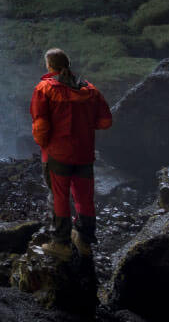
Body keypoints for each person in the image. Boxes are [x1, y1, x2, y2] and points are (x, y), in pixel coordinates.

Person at [30, 47, 112, 257]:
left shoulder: (45, 89)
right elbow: (105, 121)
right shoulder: (90, 90)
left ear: (50, 66)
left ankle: (61, 244)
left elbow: (40, 126)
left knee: (59, 197)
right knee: (84, 197)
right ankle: (84, 241)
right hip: (84, 153)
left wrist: (44, 145)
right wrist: (84, 126)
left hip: (58, 154)